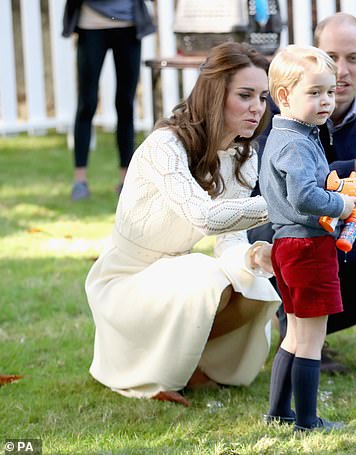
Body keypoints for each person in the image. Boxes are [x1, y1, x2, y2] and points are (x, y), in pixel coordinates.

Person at [84, 42, 281, 407]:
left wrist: (254, 257)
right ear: (214, 94)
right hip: (123, 280)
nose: (258, 107)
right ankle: (157, 372)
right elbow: (204, 218)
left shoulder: (242, 156)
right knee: (204, 273)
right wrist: (280, 204)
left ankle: (196, 362)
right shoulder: (166, 145)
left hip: (169, 274)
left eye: (263, 96)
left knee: (253, 284)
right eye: (245, 95)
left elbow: (229, 239)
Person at [249, 13, 356, 372]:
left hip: (330, 238)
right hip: (273, 236)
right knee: (285, 232)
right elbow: (273, 188)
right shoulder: (279, 113)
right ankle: (294, 329)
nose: (342, 70)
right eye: (331, 57)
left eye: (353, 58)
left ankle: (313, 330)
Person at [260, 45, 354, 431]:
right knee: (312, 339)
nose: (326, 101)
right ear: (284, 96)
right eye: (314, 93)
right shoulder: (297, 143)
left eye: (329, 92)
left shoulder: (285, 134)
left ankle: (279, 413)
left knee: (295, 334)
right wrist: (341, 203)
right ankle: (308, 422)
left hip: (286, 245)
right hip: (307, 246)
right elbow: (303, 196)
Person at [62, 0, 155, 200]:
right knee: (86, 104)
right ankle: (80, 181)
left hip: (128, 25)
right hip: (91, 26)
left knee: (125, 104)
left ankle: (126, 182)